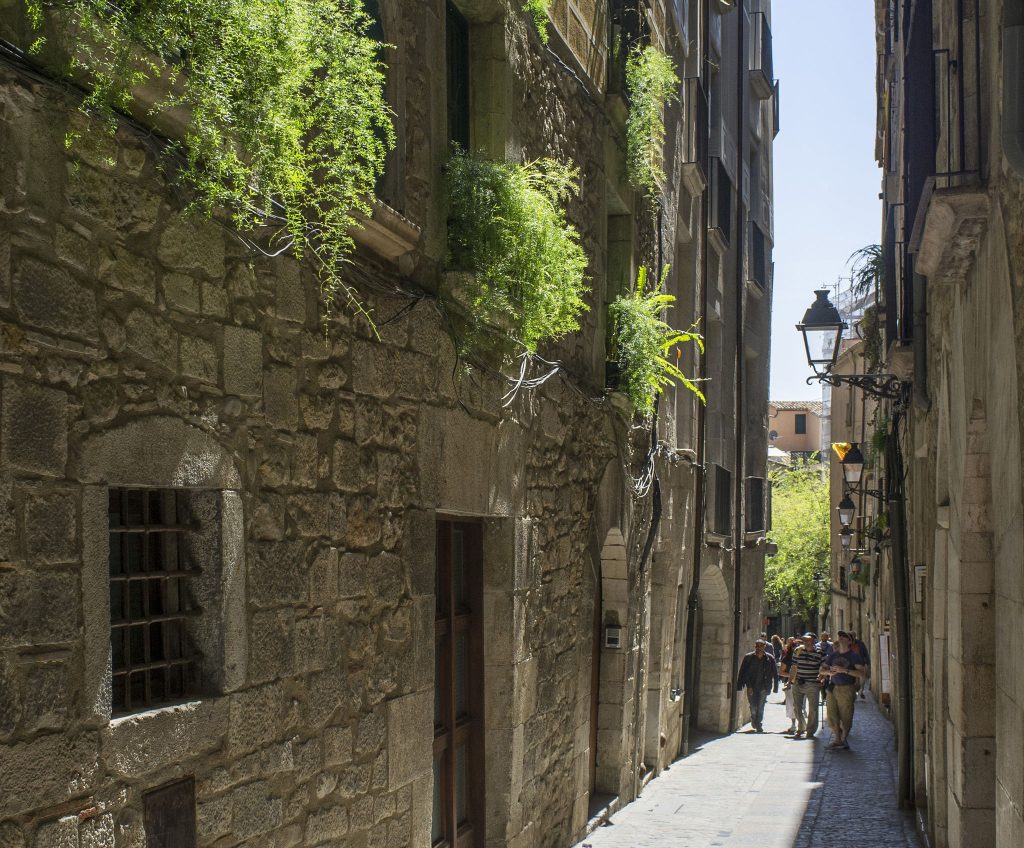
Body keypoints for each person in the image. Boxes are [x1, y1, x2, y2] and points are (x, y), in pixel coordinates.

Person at [822, 631, 867, 749]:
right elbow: (821, 670)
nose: (841, 638)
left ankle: (843, 739)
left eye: (844, 637)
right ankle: (837, 739)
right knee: (832, 714)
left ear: (849, 641)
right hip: (833, 688)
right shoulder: (833, 655)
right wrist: (828, 672)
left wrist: (844, 670)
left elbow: (862, 673)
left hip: (847, 688)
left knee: (846, 715)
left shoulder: (854, 656)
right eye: (840, 636)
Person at [790, 632, 828, 738]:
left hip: (812, 683)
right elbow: (793, 667)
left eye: (808, 640)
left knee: (813, 709)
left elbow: (824, 667)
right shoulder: (797, 651)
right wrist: (790, 682)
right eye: (805, 640)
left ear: (813, 641)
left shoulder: (820, 653)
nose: (806, 642)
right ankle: (801, 727)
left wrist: (822, 677)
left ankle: (810, 731)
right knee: (796, 707)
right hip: (798, 682)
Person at [736, 639, 778, 733]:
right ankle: (754, 718)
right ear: (755, 647)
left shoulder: (769, 658)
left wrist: (775, 687)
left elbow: (775, 673)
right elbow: (743, 672)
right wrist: (742, 685)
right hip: (751, 686)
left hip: (764, 687)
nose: (759, 648)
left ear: (764, 647)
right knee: (753, 706)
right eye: (757, 646)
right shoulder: (748, 657)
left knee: (761, 706)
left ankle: (758, 724)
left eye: (761, 646)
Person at [849, 629, 871, 699]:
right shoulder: (847, 643)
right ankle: (855, 691)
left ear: (855, 636)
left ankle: (861, 690)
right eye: (851, 636)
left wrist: (867, 662)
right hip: (851, 664)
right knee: (855, 679)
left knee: (862, 677)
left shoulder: (860, 643)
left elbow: (865, 653)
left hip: (860, 663)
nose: (852, 637)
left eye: (853, 635)